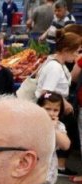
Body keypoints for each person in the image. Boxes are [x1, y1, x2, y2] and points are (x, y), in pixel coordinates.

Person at [35, 31, 81, 176]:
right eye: (77, 52)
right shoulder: (55, 67)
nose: (77, 55)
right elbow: (46, 92)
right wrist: (62, 103)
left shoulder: (55, 62)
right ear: (67, 50)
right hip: (52, 109)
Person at [36, 92, 71, 184]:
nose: (51, 113)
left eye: (55, 110)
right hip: (33, 163)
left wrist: (53, 129)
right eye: (47, 109)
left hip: (48, 166)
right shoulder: (32, 122)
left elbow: (65, 145)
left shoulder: (59, 126)